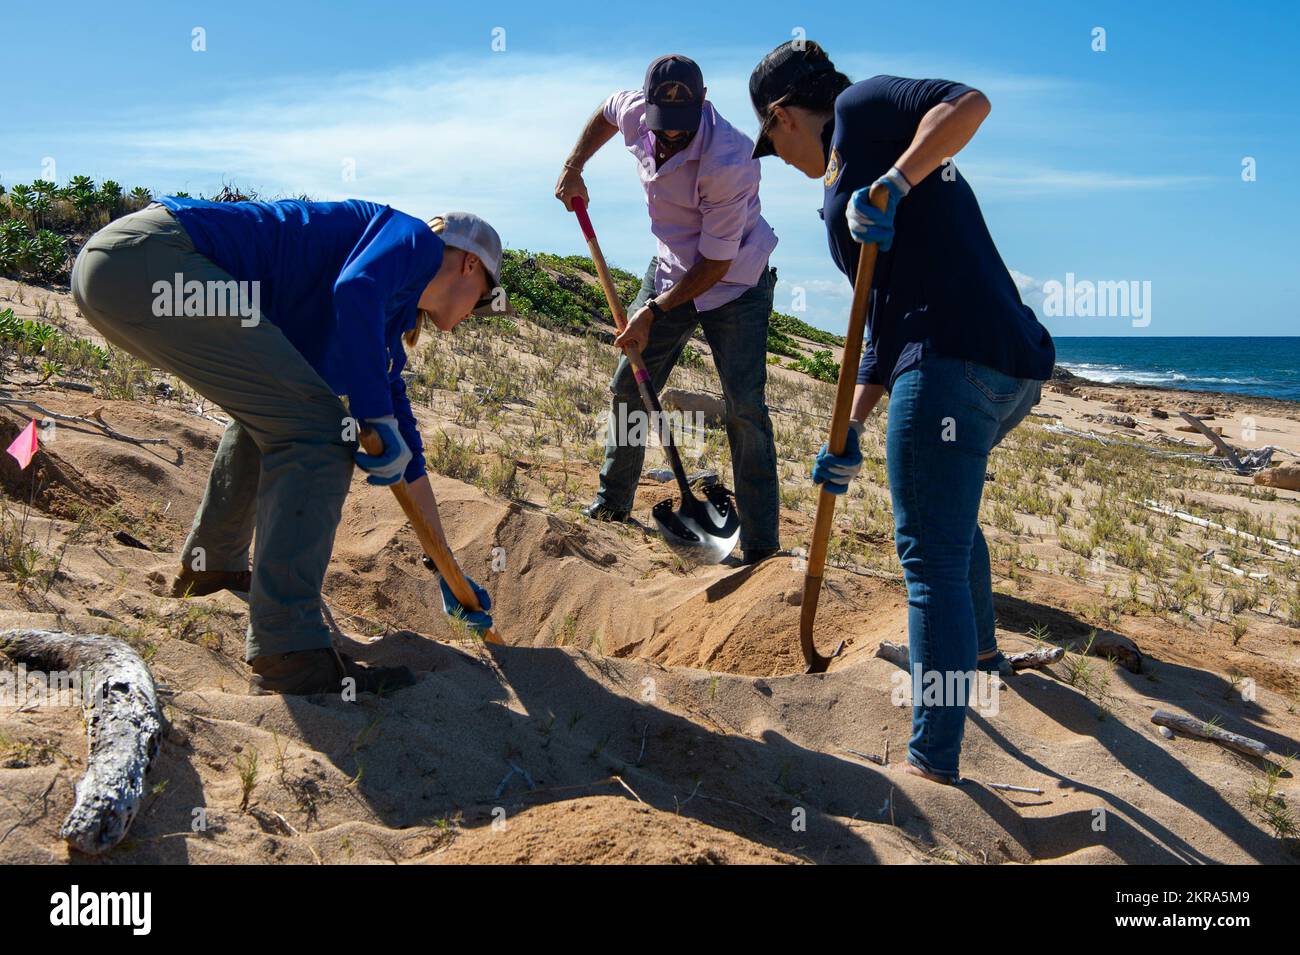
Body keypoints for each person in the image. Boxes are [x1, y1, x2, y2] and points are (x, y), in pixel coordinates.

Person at [748, 41, 1055, 783]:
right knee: (950, 522)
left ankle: (932, 764)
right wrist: (850, 425)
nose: (775, 153)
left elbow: (969, 103)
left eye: (771, 137)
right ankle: (982, 655)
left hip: (952, 358)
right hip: (1005, 365)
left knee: (930, 557)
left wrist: (893, 181)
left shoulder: (860, 111)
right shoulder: (843, 175)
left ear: (785, 115)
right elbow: (880, 326)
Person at [71, 198, 501, 695]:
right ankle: (291, 653)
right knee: (320, 434)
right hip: (152, 262)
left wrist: (445, 566)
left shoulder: (384, 326)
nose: (478, 313)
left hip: (115, 270)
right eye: (485, 299)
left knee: (282, 416)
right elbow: (356, 287)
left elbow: (409, 456)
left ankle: (212, 572)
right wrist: (369, 412)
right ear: (470, 264)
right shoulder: (414, 241)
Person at [555, 53, 783, 564]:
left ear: (703, 106)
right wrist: (574, 166)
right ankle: (612, 505)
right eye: (663, 124)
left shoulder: (731, 159)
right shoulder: (638, 111)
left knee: (744, 407)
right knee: (627, 384)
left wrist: (653, 312)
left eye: (681, 128)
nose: (670, 136)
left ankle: (763, 545)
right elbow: (608, 112)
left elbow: (716, 264)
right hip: (670, 267)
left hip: (735, 282)